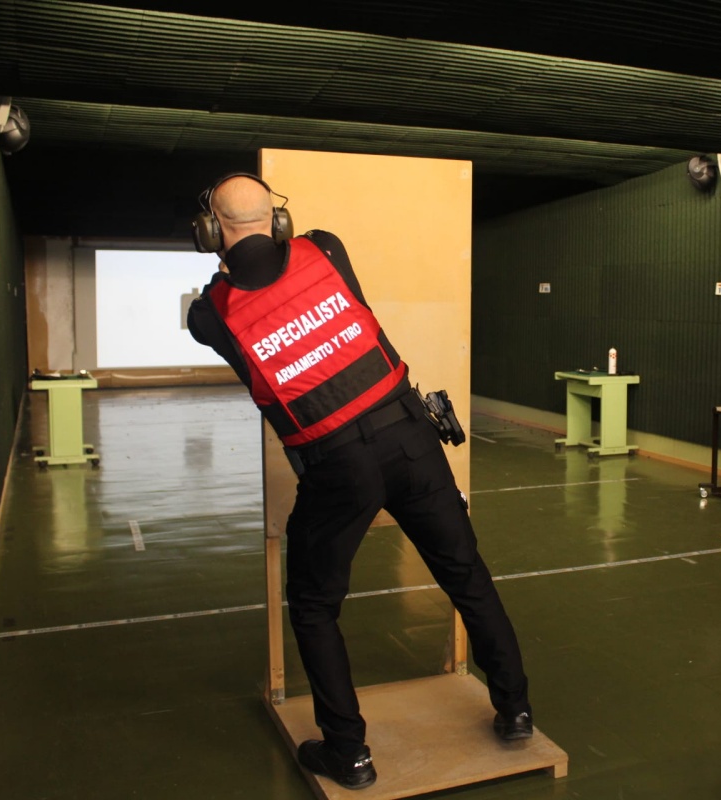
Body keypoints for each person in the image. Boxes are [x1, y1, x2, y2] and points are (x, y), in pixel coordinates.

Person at [186, 173, 533, 790]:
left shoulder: (211, 312)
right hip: (410, 437)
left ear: (212, 231)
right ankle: (516, 709)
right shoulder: (325, 249)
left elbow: (218, 309)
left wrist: (226, 269)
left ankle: (348, 753)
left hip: (337, 464)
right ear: (278, 218)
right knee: (466, 574)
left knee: (314, 605)